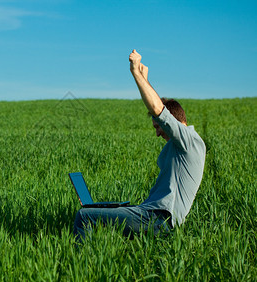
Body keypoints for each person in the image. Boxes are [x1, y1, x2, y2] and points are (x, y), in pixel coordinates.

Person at [73, 50, 206, 242]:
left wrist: (135, 72)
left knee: (85, 216)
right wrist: (145, 79)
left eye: (158, 127)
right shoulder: (178, 145)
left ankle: (78, 267)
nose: (157, 133)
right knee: (100, 212)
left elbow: (158, 109)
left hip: (158, 219)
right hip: (151, 214)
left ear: (173, 122)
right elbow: (158, 106)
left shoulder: (190, 141)